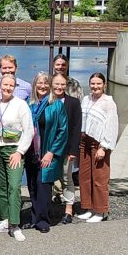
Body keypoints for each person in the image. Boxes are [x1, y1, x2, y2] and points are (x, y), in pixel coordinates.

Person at [0, 74, 34, 242]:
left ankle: (15, 224)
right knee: (1, 187)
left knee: (14, 186)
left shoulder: (20, 104)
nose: (7, 88)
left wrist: (20, 151)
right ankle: (5, 219)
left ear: (15, 87)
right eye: (4, 85)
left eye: (11, 85)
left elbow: (28, 130)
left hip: (14, 149)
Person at [24, 72, 68, 234]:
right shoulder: (30, 105)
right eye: (39, 83)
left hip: (47, 152)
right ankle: (34, 217)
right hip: (31, 152)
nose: (42, 86)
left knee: (43, 187)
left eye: (45, 83)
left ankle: (43, 219)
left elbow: (62, 131)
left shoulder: (56, 105)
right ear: (34, 85)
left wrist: (51, 152)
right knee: (33, 185)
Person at [77, 73, 117, 223]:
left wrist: (104, 147)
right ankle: (89, 207)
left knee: (100, 178)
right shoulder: (86, 99)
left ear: (104, 85)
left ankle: (100, 210)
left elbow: (112, 126)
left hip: (98, 143)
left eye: (98, 84)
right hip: (84, 142)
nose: (95, 87)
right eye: (93, 84)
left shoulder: (109, 102)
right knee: (85, 177)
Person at [52, 73, 82, 224]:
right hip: (48, 148)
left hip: (66, 148)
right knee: (48, 178)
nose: (59, 87)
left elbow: (77, 128)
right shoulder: (47, 101)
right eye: (56, 84)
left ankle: (69, 209)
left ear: (66, 85)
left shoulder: (73, 103)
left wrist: (73, 151)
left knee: (66, 177)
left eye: (62, 84)